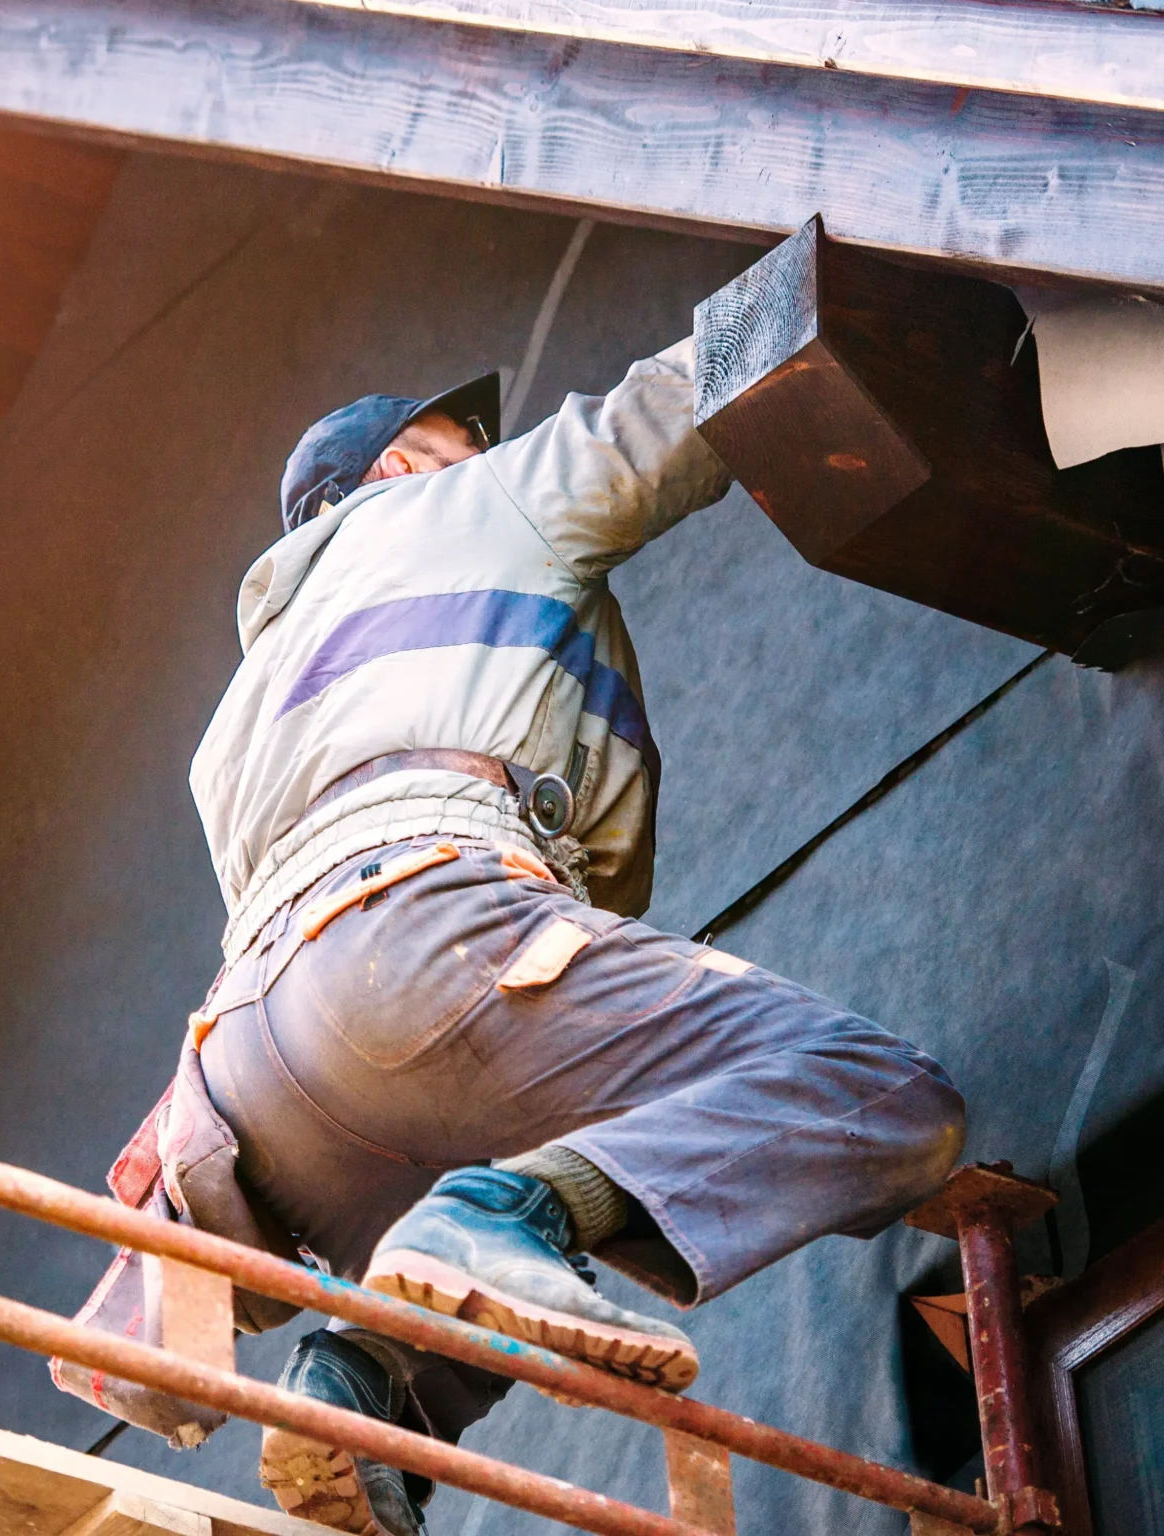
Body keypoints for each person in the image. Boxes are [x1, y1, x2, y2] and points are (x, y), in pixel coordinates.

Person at [181, 340, 967, 1536]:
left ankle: (368, 1383)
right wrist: (849, 270)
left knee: (513, 1208)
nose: (486, 454)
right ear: (402, 464)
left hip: (254, 1080)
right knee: (884, 1094)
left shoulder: (239, 710)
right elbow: (660, 418)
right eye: (461, 441)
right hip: (420, 938)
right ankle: (497, 1223)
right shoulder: (454, 507)